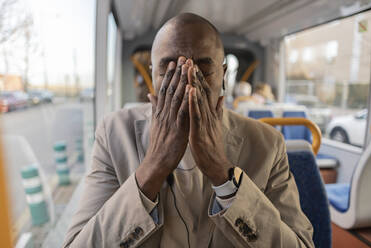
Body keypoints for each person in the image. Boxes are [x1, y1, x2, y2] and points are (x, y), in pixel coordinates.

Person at [63, 13, 314, 248]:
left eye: (203, 70)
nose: (187, 82)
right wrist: (153, 167)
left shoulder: (267, 144)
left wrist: (223, 176)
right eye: (169, 70)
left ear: (223, 76)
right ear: (153, 76)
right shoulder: (114, 134)